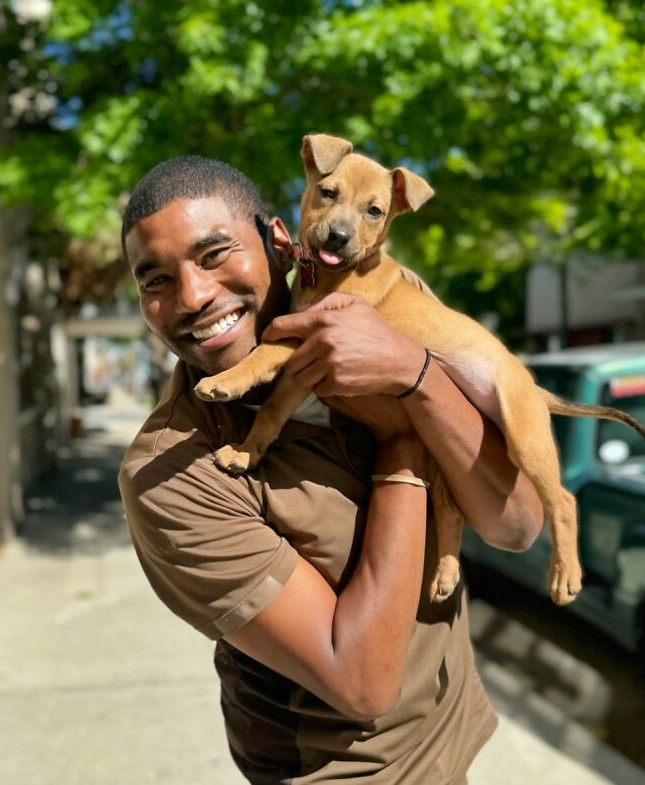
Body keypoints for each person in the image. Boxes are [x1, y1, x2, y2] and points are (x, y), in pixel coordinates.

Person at [118, 155, 544, 785]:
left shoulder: (397, 315)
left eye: (214, 254)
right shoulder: (172, 474)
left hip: (453, 744)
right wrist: (404, 428)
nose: (192, 296)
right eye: (154, 280)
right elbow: (363, 681)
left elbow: (516, 526)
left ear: (282, 244)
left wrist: (416, 374)